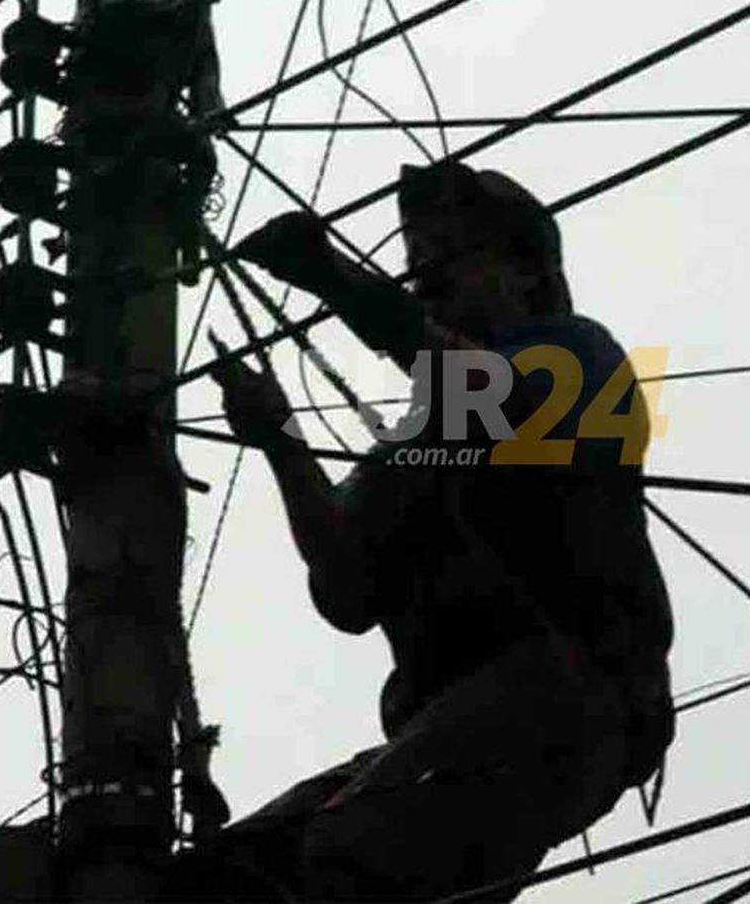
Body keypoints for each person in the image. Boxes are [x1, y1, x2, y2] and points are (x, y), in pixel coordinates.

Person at [172, 162, 674, 902]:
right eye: (415, 265)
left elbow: (491, 398)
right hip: (446, 726)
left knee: (349, 862)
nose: (426, 279)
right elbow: (345, 588)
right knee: (223, 879)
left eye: (448, 255)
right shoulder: (419, 440)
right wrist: (281, 440)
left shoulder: (578, 357)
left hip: (566, 697)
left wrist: (336, 281)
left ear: (527, 273)